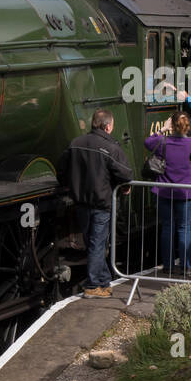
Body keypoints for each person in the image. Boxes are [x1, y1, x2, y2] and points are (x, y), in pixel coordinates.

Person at [57, 109, 134, 298]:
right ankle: (92, 285)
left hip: (81, 202)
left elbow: (61, 169)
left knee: (94, 242)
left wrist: (68, 185)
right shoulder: (111, 147)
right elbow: (126, 173)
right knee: (97, 244)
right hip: (101, 203)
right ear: (108, 126)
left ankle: (103, 280)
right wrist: (125, 187)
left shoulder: (76, 143)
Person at [145, 113, 191, 276]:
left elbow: (147, 142)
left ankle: (168, 266)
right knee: (185, 229)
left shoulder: (163, 142)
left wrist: (163, 128)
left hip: (164, 191)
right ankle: (186, 265)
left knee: (167, 228)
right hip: (185, 191)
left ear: (172, 125)